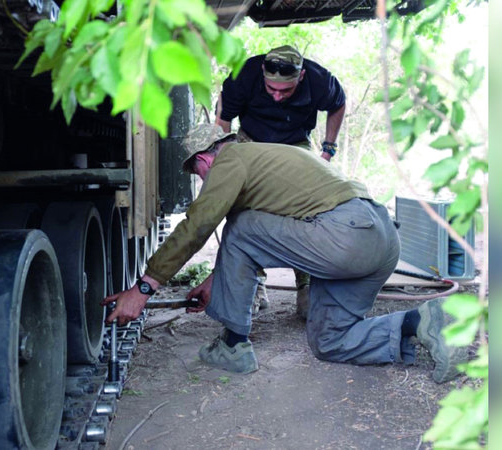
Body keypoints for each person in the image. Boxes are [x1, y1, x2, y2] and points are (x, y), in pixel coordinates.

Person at [102, 124, 465, 383]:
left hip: (344, 236)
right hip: (379, 239)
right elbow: (264, 237)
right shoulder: (271, 160)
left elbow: (199, 225)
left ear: (205, 158)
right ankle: (422, 323)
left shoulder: (232, 159)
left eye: (196, 172)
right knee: (329, 341)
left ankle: (233, 345)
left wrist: (144, 288)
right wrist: (218, 280)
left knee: (239, 225)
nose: (200, 179)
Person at [215, 44, 347, 320]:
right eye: (271, 89)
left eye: (285, 91)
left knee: (306, 211)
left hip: (295, 144)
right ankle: (254, 285)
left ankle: (307, 286)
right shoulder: (244, 75)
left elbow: (338, 104)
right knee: (244, 212)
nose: (276, 96)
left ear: (301, 77)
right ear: (263, 73)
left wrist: (328, 150)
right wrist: (226, 161)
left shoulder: (318, 80)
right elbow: (223, 120)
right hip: (251, 141)